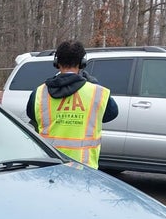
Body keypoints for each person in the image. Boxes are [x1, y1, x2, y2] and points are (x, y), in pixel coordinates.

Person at [25, 40, 118, 169]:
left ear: (56, 63)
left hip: (50, 165)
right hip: (84, 168)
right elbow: (111, 114)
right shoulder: (97, 92)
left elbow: (33, 115)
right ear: (82, 63)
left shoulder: (39, 93)